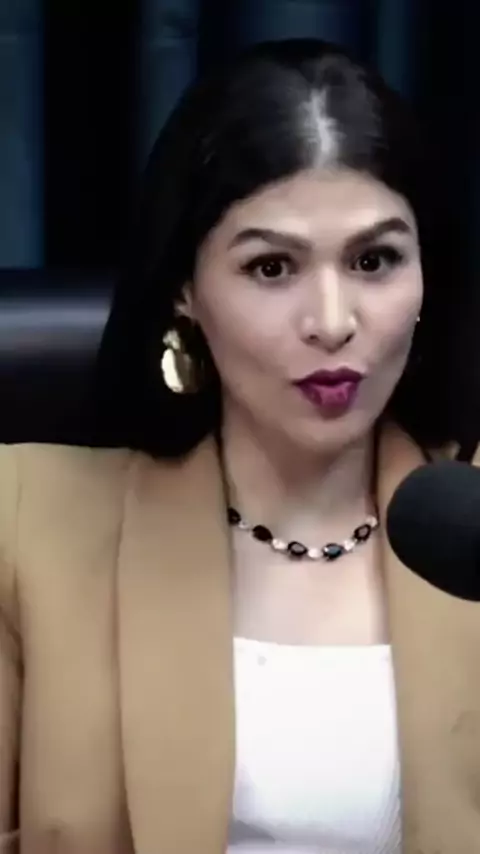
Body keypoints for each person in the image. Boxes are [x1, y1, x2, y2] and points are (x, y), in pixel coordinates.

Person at [0, 37, 479, 854]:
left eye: (374, 260)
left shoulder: (471, 525)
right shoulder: (26, 523)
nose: (332, 321)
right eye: (271, 268)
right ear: (185, 288)